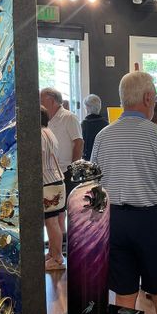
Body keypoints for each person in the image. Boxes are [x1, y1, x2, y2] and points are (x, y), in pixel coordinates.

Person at [91, 71, 157, 314]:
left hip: (115, 220)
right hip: (153, 221)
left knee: (124, 296)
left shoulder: (103, 136)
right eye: (154, 98)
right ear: (147, 98)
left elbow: (94, 183)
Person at [40, 88, 84, 241]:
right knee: (57, 212)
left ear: (52, 100)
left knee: (64, 210)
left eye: (41, 100)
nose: (39, 104)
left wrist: (73, 168)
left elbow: (79, 143)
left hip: (66, 170)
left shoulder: (69, 117)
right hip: (52, 172)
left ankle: (66, 242)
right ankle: (60, 242)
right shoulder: (47, 120)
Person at [40, 106, 66, 271]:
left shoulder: (39, 134)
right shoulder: (49, 132)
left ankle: (57, 258)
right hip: (55, 179)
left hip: (47, 181)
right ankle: (53, 253)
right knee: (53, 221)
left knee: (51, 222)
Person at [81, 94, 108, 160]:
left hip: (88, 161)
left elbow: (82, 147)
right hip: (104, 159)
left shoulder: (84, 125)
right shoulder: (106, 124)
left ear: (87, 108)